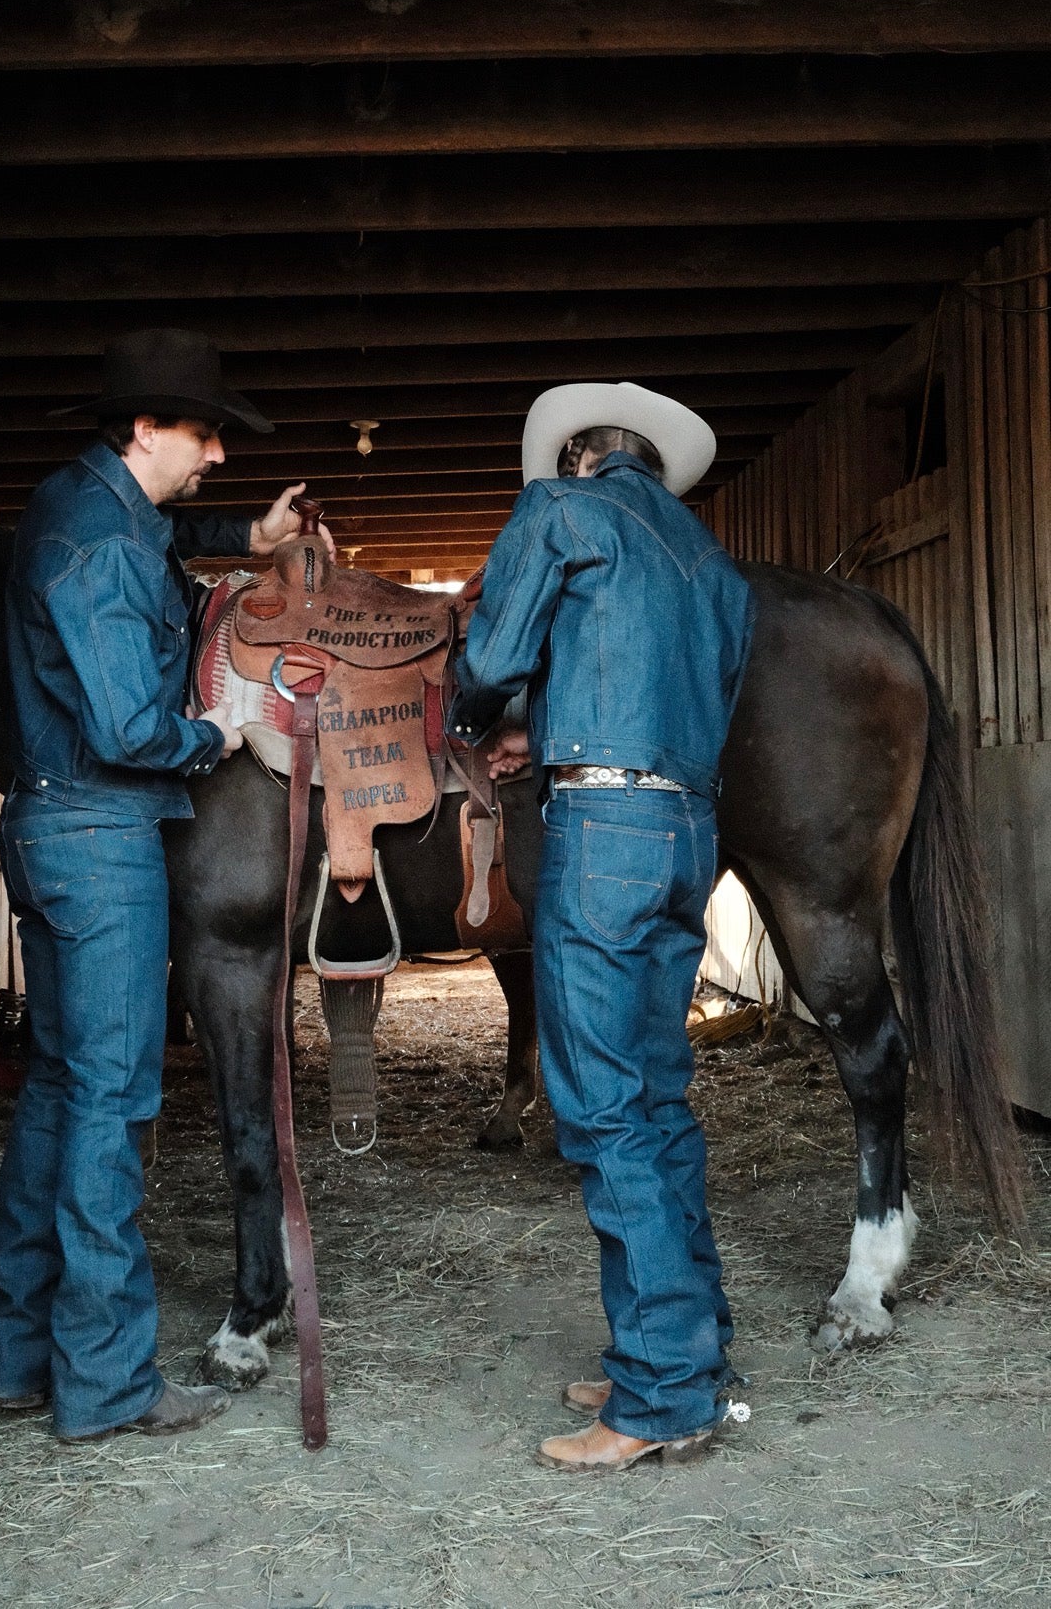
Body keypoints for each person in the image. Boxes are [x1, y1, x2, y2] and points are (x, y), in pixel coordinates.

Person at [0, 327, 330, 1444]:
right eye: (204, 432)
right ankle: (107, 1383)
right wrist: (217, 727)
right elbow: (130, 724)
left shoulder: (85, 506)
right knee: (113, 1103)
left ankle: (21, 1355)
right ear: (145, 430)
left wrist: (248, 537)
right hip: (101, 833)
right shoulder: (95, 545)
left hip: (53, 830)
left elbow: (160, 533)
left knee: (55, 1090)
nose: (219, 453)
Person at [448, 381, 755, 1473]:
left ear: (576, 455)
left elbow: (490, 659)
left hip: (604, 835)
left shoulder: (558, 514)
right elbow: (692, 696)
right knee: (658, 1098)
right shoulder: (711, 562)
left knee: (604, 1107)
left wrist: (477, 718)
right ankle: (687, 1347)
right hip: (686, 831)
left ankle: (663, 1394)